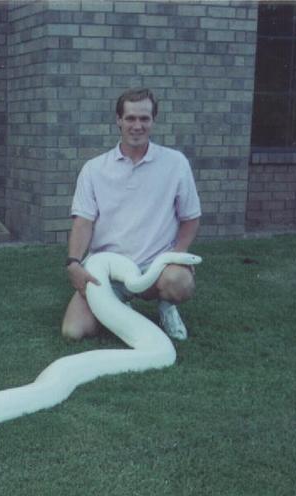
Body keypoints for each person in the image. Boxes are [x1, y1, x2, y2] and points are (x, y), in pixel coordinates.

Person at [61, 88, 201, 341]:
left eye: (144, 119)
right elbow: (83, 222)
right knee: (74, 331)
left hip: (156, 269)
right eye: (130, 118)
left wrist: (174, 257)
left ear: (153, 121)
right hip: (108, 269)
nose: (137, 126)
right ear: (118, 120)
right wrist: (73, 262)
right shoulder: (94, 169)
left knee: (179, 282)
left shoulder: (175, 163)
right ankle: (119, 305)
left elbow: (190, 218)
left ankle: (167, 307)